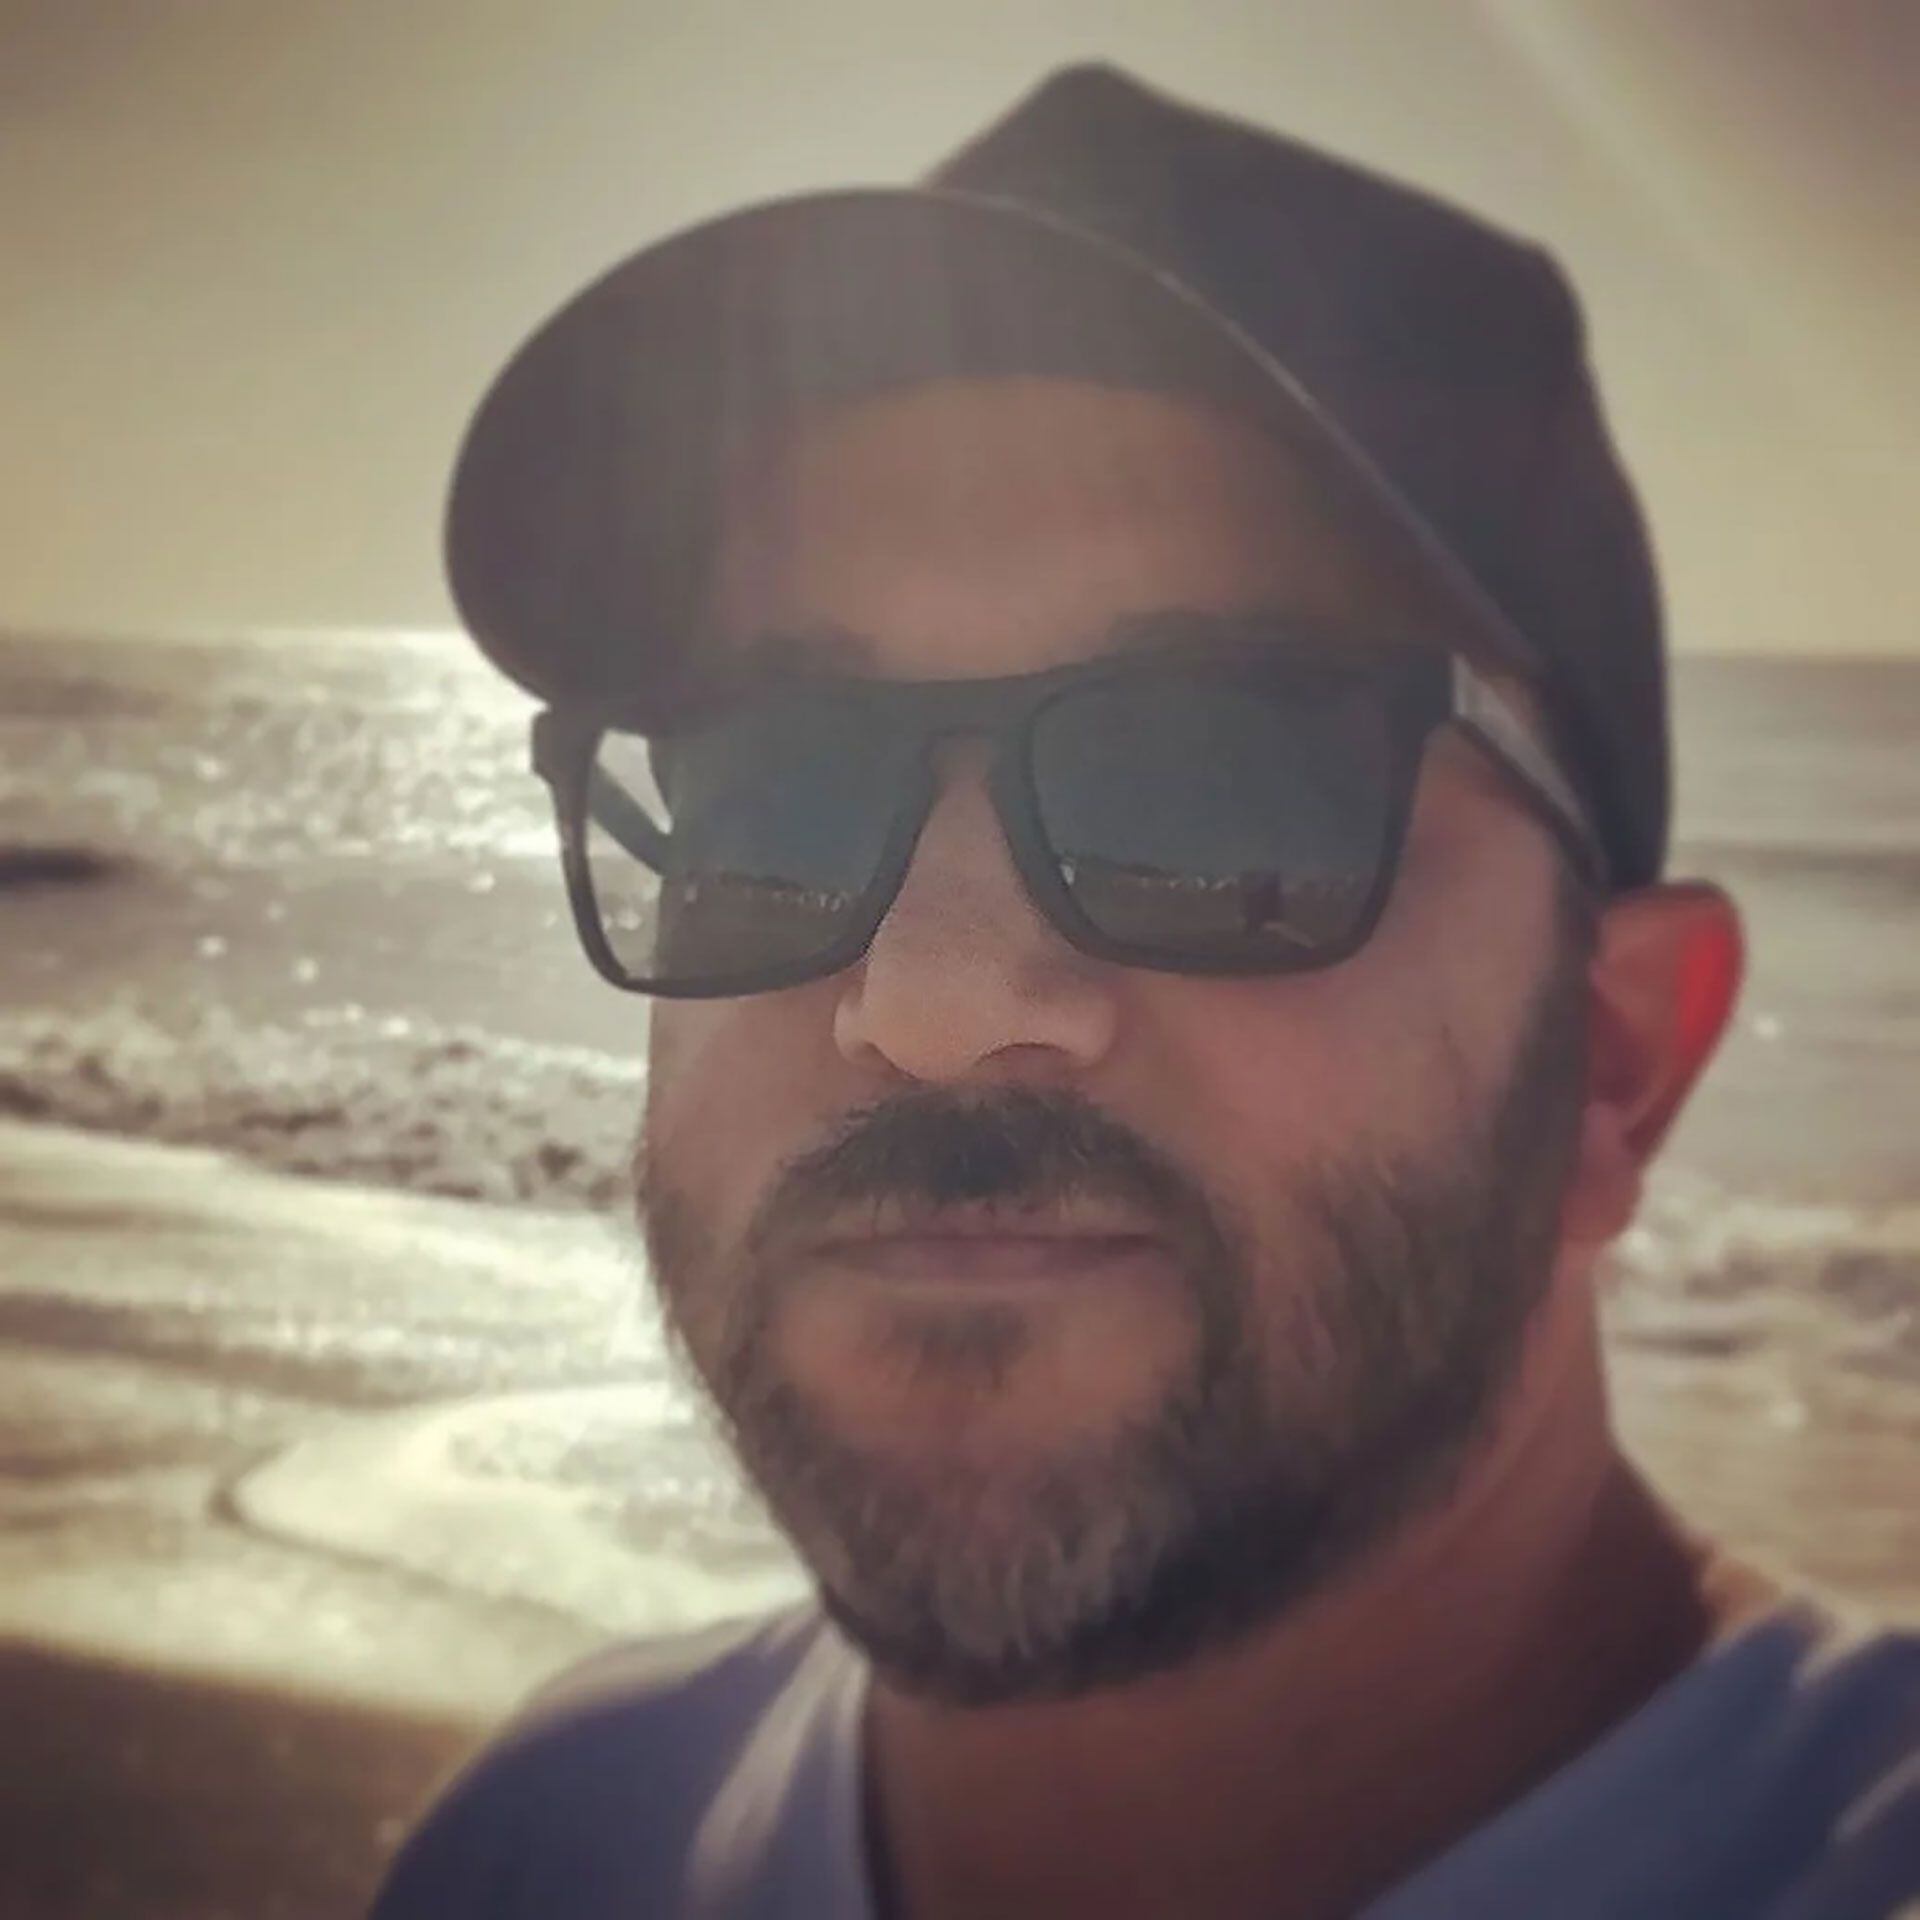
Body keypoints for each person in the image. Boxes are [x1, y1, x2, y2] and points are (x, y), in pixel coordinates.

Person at [373, 63, 1920, 1920]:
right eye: (770, 787)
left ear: (1614, 1063)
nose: (929, 1003)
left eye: (1214, 782)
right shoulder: (548, 1845)